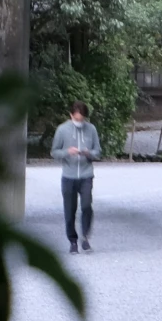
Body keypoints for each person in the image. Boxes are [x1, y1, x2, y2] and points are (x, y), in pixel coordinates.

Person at [50, 101, 101, 252]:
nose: (79, 122)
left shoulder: (91, 129)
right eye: (77, 119)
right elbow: (54, 152)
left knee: (86, 206)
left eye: (82, 119)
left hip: (86, 175)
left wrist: (88, 153)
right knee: (70, 209)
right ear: (71, 115)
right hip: (68, 175)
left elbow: (98, 151)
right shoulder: (62, 130)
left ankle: (85, 236)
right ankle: (73, 241)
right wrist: (67, 152)